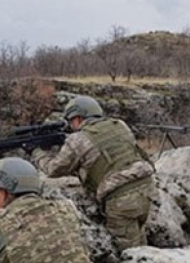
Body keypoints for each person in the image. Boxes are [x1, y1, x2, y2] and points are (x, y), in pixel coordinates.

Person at [30, 96, 155, 251]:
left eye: (71, 121)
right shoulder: (119, 125)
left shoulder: (78, 139)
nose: (71, 125)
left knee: (129, 251)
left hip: (121, 199)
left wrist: (37, 153)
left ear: (78, 117)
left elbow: (53, 169)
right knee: (139, 239)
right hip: (146, 188)